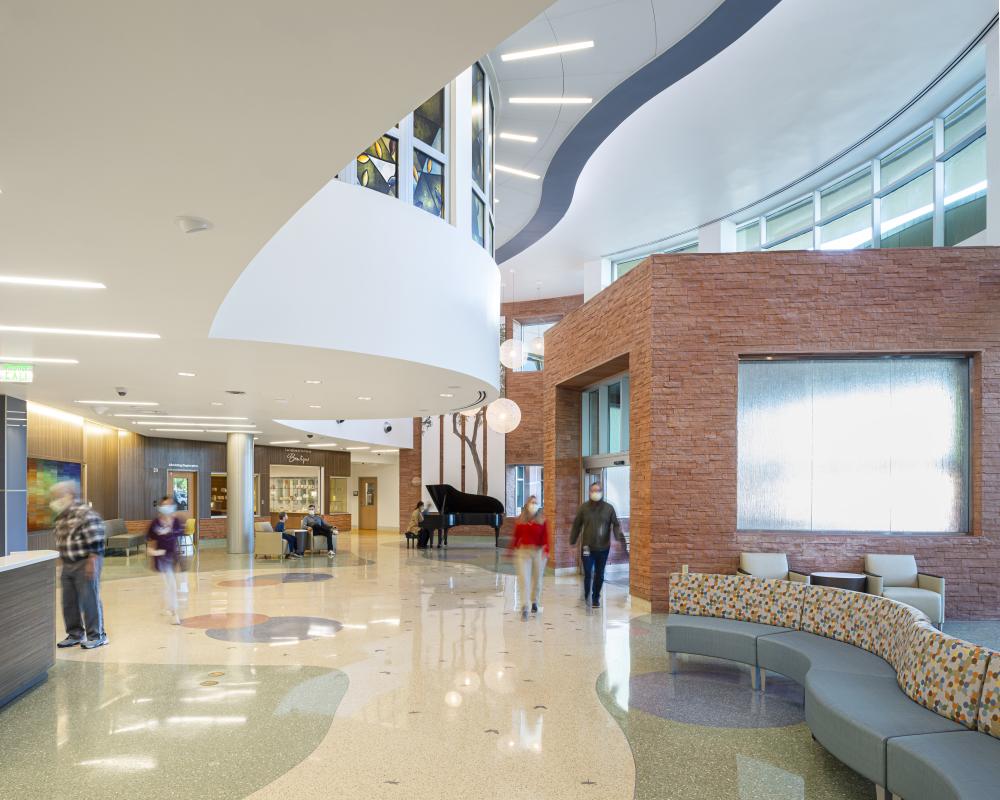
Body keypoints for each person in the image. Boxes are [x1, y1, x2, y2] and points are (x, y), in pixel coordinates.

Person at [51, 481, 108, 649]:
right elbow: (62, 541)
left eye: (57, 496)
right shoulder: (61, 516)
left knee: (89, 599)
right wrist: (62, 562)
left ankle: (97, 635)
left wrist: (92, 562)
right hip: (68, 564)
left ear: (69, 495)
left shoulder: (85, 513)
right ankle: (75, 634)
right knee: (69, 601)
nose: (54, 500)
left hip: (86, 562)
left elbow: (97, 538)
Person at [569, 481, 624, 612]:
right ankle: (587, 595)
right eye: (593, 490)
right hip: (587, 547)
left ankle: (595, 597)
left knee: (599, 574)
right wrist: (572, 543)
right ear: (589, 492)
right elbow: (576, 526)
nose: (595, 493)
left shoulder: (609, 508)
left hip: (603, 547)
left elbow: (615, 524)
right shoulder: (583, 508)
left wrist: (616, 539)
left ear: (601, 492)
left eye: (598, 490)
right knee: (588, 573)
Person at [509, 495, 549, 621]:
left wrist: (546, 550)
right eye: (532, 502)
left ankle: (534, 601)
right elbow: (516, 537)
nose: (534, 505)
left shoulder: (542, 520)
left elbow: (545, 537)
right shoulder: (520, 520)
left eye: (536, 503)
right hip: (523, 552)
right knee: (524, 579)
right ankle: (525, 606)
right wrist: (511, 550)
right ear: (527, 505)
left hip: (538, 552)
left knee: (537, 580)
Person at [147, 495, 184, 624]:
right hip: (161, 559)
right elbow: (151, 540)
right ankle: (173, 612)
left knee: (170, 585)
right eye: (165, 505)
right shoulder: (155, 523)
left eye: (170, 504)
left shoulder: (176, 522)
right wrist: (152, 553)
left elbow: (178, 538)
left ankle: (170, 609)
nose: (168, 507)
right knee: (169, 585)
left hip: (172, 557)